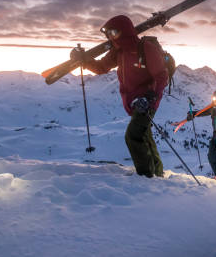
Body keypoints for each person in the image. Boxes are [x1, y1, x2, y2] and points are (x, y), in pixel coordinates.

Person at [71, 15, 168, 178]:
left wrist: (150, 97)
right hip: (134, 101)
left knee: (133, 135)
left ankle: (146, 177)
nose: (111, 37)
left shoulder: (146, 48)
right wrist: (84, 59)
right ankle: (157, 173)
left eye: (114, 32)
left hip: (147, 101)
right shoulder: (119, 51)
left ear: (125, 31)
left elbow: (161, 76)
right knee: (144, 135)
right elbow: (101, 67)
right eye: (109, 34)